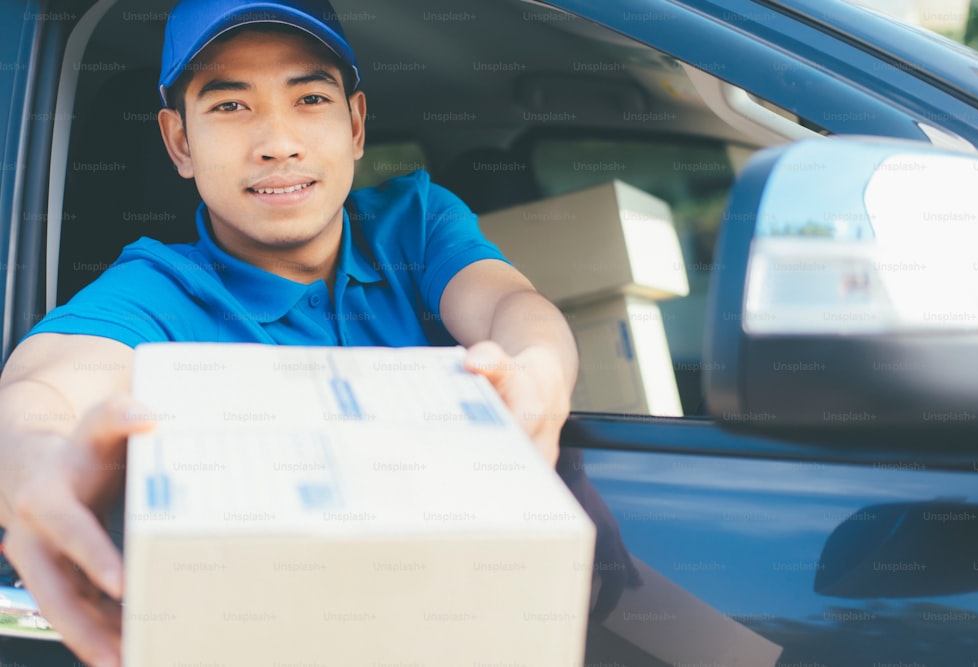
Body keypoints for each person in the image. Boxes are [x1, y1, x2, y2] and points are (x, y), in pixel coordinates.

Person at [0, 1, 579, 665]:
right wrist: (37, 466)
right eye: (230, 106)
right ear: (180, 142)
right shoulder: (157, 291)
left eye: (309, 97)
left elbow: (510, 304)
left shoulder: (413, 223)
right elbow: (41, 387)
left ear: (356, 123)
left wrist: (540, 370)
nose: (278, 141)